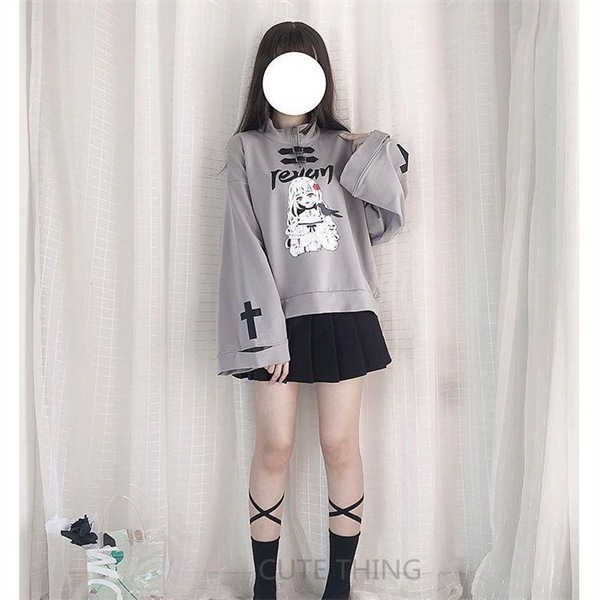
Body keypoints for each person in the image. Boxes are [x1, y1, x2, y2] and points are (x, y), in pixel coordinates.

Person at [216, 21, 409, 600]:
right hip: (275, 314)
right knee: (274, 446)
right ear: (266, 74)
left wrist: (374, 146)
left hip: (345, 307)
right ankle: (264, 588)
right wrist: (265, 337)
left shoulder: (344, 146)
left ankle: (339, 588)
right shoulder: (245, 150)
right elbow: (244, 243)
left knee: (339, 446)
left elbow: (382, 220)